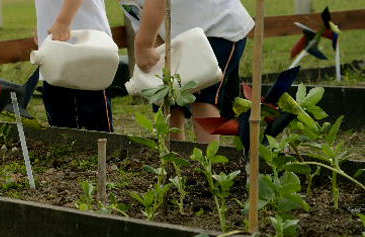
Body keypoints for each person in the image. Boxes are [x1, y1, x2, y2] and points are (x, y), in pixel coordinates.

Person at [119, 0, 254, 143]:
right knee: (166, 94)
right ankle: (173, 158)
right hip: (184, 40)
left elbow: (157, 2)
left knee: (203, 95)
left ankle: (207, 161)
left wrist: (144, 46)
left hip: (217, 27)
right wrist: (164, 62)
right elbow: (146, 23)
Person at [35, 0, 114, 132]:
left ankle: (101, 150)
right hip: (55, 47)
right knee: (58, 113)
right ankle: (67, 149)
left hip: (86, 43)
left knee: (93, 115)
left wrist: (63, 21)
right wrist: (42, 23)